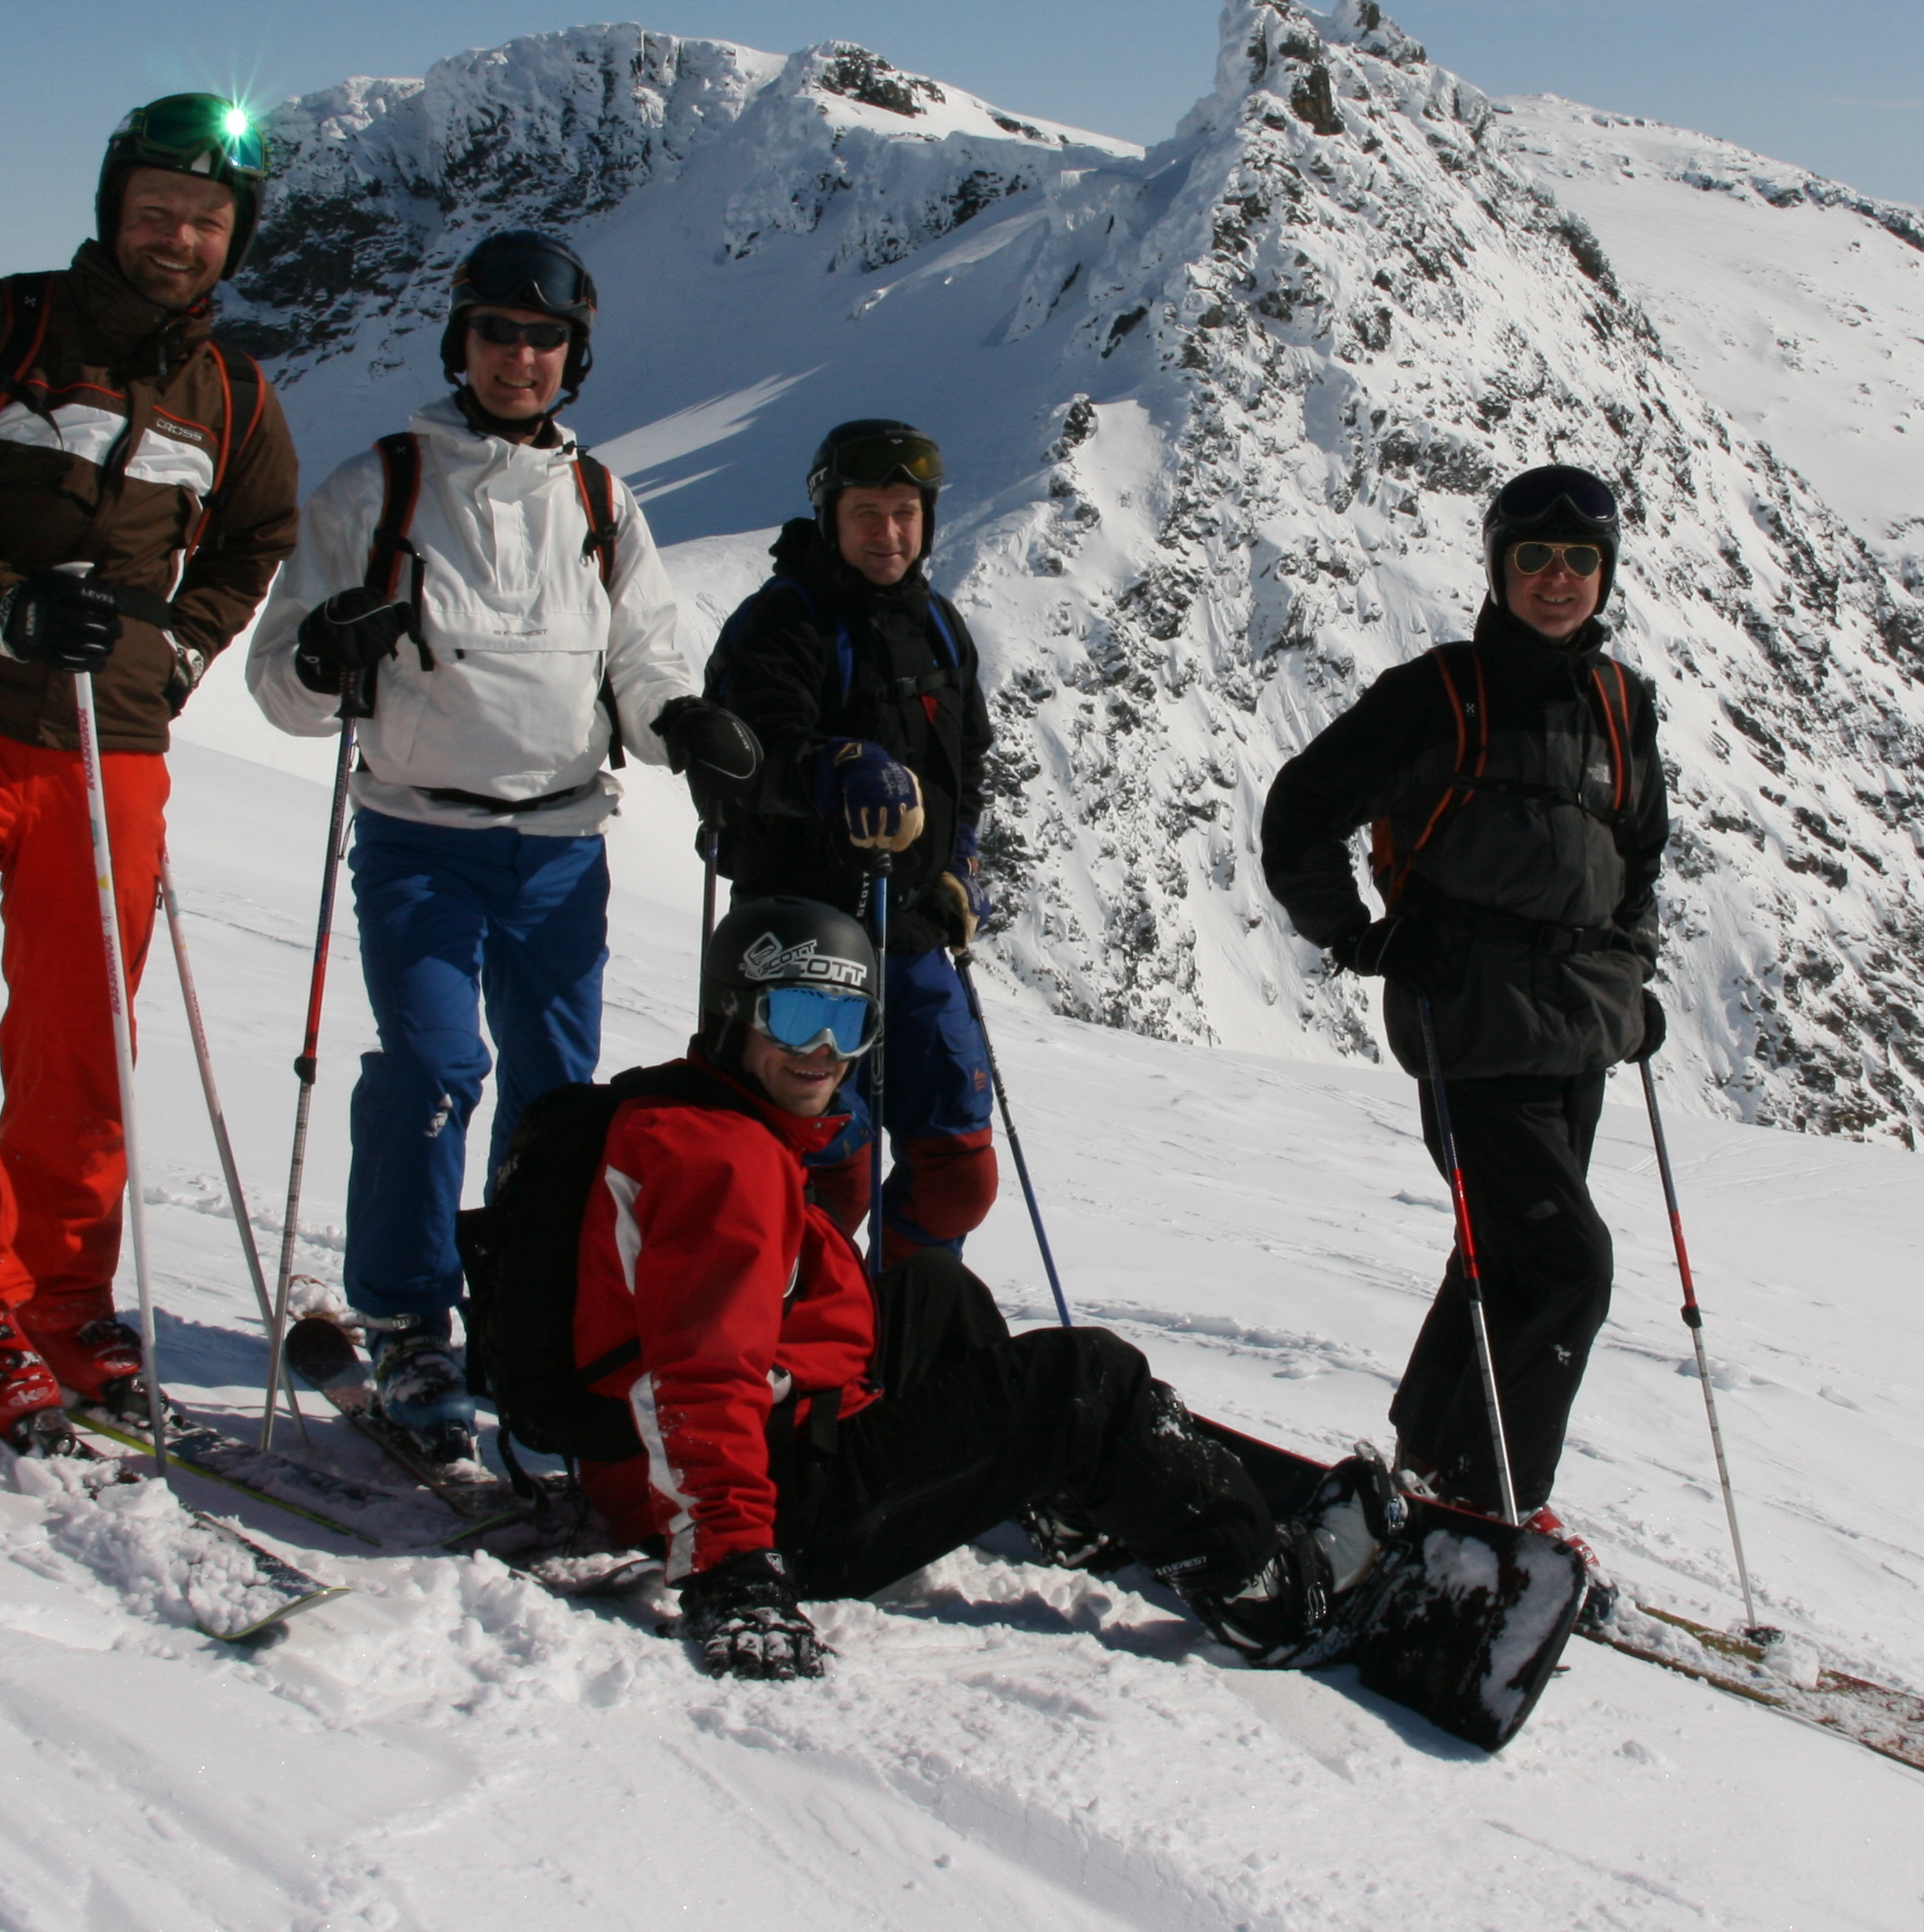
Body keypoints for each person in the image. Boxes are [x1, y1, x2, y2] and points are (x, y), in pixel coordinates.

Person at [0, 93, 301, 1450]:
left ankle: (65, 1296)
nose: (178, 236)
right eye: (156, 209)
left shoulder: (236, 396)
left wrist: (166, 655)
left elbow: (250, 541)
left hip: (106, 750)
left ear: (235, 239)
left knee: (80, 1044)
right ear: (112, 211)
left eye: (206, 220)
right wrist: (1, 605)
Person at [564, 897, 1375, 1680]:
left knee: (929, 1287)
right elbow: (699, 1381)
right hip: (785, 1515)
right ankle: (1266, 1592)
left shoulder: (698, 1109)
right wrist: (735, 1569)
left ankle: (1058, 1494)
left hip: (768, 1438)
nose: (821, 1049)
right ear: (734, 1014)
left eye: (847, 1023)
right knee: (1083, 1382)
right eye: (793, 1016)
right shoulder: (724, 1165)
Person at [244, 231, 761, 1458]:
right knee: (431, 1074)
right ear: (460, 342)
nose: (519, 358)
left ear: (573, 357)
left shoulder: (597, 501)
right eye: (498, 333)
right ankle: (411, 1312)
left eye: (543, 340)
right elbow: (280, 681)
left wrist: (675, 717)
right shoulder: (379, 488)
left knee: (554, 1103)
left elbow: (640, 654)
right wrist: (325, 660)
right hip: (421, 837)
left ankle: (528, 1305)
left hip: (563, 848)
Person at [1257, 463, 1666, 1526]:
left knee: (1498, 1254)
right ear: (1498, 566)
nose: (1559, 579)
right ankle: (1494, 1511)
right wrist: (1358, 936)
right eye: (1535, 558)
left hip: (1580, 1033)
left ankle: (1430, 1467)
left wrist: (1635, 972)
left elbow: (1638, 856)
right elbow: (1301, 813)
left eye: (1581, 560)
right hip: (1470, 1024)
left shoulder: (1622, 706)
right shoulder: (1437, 695)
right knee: (1568, 1266)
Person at [702, 421, 999, 1262]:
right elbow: (748, 755)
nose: (889, 533)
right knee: (831, 1165)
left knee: (956, 1174)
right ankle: (807, 1336)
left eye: (905, 512)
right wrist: (835, 767)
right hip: (800, 939)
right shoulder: (782, 623)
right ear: (831, 516)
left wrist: (959, 860)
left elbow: (966, 760)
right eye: (868, 512)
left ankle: (909, 1334)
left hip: (908, 932)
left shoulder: (939, 625)